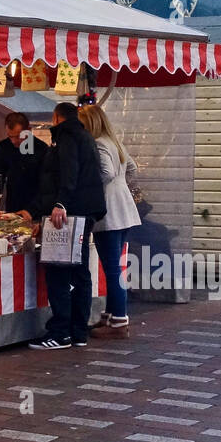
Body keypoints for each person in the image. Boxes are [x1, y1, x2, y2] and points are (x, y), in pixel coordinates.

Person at [29, 101, 107, 350]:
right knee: (80, 272)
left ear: (56, 118)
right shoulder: (85, 137)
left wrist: (60, 203)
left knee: (59, 271)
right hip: (84, 212)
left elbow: (68, 173)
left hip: (68, 215)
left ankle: (60, 333)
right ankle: (78, 332)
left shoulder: (68, 137)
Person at [79, 103, 141, 339]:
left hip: (109, 211)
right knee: (115, 267)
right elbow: (132, 168)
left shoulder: (98, 143)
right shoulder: (113, 141)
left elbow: (105, 172)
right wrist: (122, 185)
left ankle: (118, 320)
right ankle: (112, 314)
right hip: (124, 208)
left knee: (112, 268)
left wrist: (89, 183)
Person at [0, 113, 44, 219]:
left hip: (36, 211)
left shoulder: (41, 149)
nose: (14, 141)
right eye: (10, 136)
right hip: (12, 209)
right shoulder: (4, 147)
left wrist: (32, 210)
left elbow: (47, 186)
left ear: (28, 130)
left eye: (19, 136)